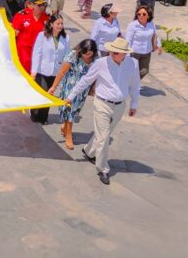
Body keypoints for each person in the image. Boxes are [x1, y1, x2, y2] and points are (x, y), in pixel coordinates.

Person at [64, 38, 141, 185]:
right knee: (104, 137)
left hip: (119, 106)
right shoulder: (101, 63)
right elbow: (86, 80)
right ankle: (103, 169)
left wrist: (134, 104)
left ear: (124, 54)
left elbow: (135, 84)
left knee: (104, 134)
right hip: (102, 104)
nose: (113, 53)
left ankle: (88, 151)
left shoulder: (133, 64)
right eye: (112, 51)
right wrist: (71, 96)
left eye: (117, 52)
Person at [49, 39, 98, 150]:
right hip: (69, 87)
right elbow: (62, 72)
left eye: (89, 54)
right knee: (69, 110)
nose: (86, 56)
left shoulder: (96, 57)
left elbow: (97, 73)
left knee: (76, 110)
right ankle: (69, 135)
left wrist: (92, 88)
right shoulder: (73, 55)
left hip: (83, 89)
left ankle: (65, 127)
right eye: (84, 53)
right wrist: (53, 87)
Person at [30, 14, 70, 124]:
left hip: (56, 71)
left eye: (61, 23)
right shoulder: (42, 36)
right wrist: (34, 71)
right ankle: (35, 114)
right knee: (42, 91)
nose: (60, 26)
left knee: (49, 93)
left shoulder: (66, 38)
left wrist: (65, 70)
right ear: (51, 24)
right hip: (42, 70)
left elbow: (67, 55)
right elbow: (36, 53)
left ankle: (43, 117)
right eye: (58, 23)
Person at [12, 0, 49, 73]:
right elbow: (14, 33)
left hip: (38, 50)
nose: (42, 7)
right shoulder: (22, 15)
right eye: (39, 5)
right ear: (32, 5)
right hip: (24, 50)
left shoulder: (47, 19)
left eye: (43, 5)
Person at [125, 5, 162, 80]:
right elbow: (128, 40)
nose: (141, 16)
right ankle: (130, 85)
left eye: (144, 14)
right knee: (131, 71)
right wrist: (127, 55)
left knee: (144, 70)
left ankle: (133, 82)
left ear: (148, 15)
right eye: (139, 14)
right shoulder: (132, 25)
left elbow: (155, 35)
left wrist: (159, 45)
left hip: (147, 52)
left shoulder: (151, 23)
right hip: (134, 52)